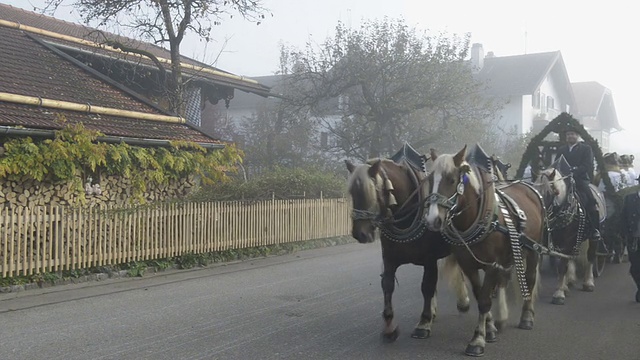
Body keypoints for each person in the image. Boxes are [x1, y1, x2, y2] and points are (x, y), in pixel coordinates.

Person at [556, 127, 607, 255]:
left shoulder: (586, 149)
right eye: (568, 134)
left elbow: (587, 165)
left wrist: (573, 171)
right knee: (551, 198)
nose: (570, 136)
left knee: (591, 200)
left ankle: (595, 230)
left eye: (572, 134)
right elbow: (557, 164)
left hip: (581, 181)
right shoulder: (562, 150)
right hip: (564, 181)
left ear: (577, 136)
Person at [620, 179, 640, 302]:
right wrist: (624, 235)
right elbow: (623, 218)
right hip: (634, 238)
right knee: (635, 267)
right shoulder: (629, 199)